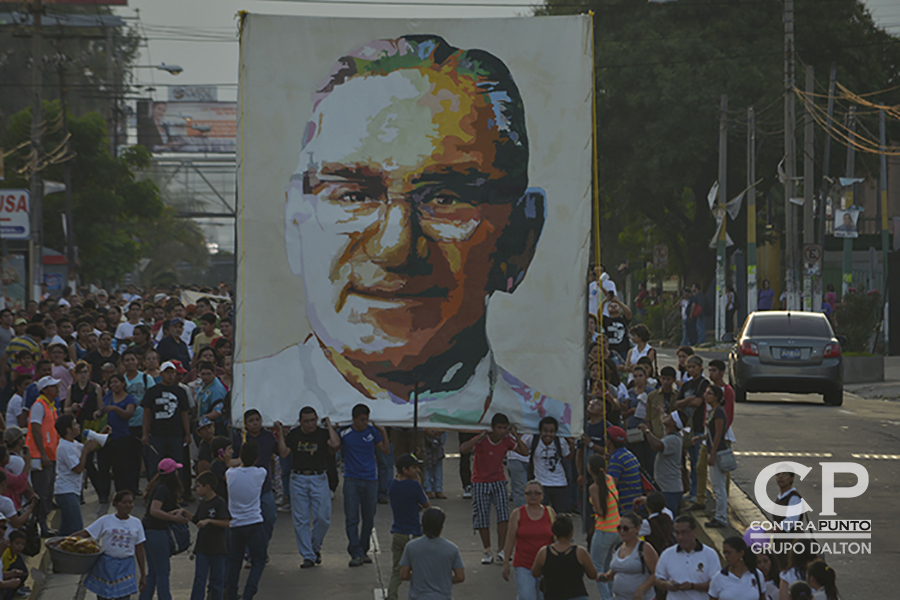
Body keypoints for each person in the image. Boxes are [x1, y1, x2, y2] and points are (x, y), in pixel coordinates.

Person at [246, 34, 574, 434]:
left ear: (519, 240)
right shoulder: (252, 403)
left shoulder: (553, 423)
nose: (394, 246)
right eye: (353, 195)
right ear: (294, 225)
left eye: (446, 198)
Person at [274, 407, 340, 568]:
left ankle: (315, 547)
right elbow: (283, 453)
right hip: (298, 478)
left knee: (323, 517)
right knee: (301, 520)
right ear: (300, 421)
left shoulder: (323, 433)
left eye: (313, 420)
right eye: (306, 421)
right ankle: (308, 555)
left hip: (319, 477)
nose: (310, 424)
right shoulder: (294, 434)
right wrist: (281, 434)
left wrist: (329, 425)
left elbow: (335, 444)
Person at [458, 413, 528, 565]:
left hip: (499, 481)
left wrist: (516, 436)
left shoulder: (507, 440)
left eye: (504, 428)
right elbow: (463, 449)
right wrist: (479, 437)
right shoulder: (482, 440)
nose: (502, 431)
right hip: (480, 481)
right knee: (482, 517)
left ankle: (501, 550)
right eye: (499, 428)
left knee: (503, 516)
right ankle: (487, 550)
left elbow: (524, 452)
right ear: (493, 428)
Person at [340, 403, 389, 566]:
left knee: (369, 517)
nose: (364, 423)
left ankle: (363, 548)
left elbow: (385, 450)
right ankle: (355, 551)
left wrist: (382, 432)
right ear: (354, 419)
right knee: (352, 517)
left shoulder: (372, 432)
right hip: (352, 479)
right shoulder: (345, 433)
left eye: (367, 419)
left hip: (370, 479)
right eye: (361, 420)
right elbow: (334, 446)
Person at [76, 490, 147, 600]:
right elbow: (86, 533)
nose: (128, 505)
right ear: (116, 503)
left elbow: (139, 549)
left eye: (130, 502)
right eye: (124, 502)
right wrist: (61, 540)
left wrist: (143, 575)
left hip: (126, 567)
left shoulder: (137, 523)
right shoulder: (105, 520)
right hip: (105, 566)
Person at [224, 440, 268, 600]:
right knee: (259, 560)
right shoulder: (260, 473)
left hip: (235, 525)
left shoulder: (230, 474)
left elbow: (229, 466)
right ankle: (249, 593)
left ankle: (232, 594)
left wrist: (229, 458)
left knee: (234, 562)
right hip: (254, 523)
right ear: (256, 458)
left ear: (240, 456)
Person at [141, 458, 190, 600]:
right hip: (157, 532)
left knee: (154, 572)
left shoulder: (158, 486)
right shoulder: (163, 489)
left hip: (149, 532)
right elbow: (154, 510)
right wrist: (175, 518)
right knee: (163, 572)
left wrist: (178, 511)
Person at [231, 410, 278, 548]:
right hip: (246, 486)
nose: (255, 423)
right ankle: (251, 551)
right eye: (251, 421)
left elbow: (281, 452)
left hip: (265, 486)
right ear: (245, 424)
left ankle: (262, 546)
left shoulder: (268, 436)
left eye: (257, 419)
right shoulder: (240, 438)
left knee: (269, 517)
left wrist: (280, 434)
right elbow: (233, 459)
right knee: (247, 521)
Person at [502, 480, 555, 600]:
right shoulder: (517, 514)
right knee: (526, 597)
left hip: (546, 566)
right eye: (529, 493)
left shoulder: (550, 512)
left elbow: (557, 539)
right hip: (523, 565)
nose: (533, 496)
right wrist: (506, 562)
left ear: (542, 495)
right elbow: (510, 540)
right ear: (524, 495)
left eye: (537, 493)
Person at [386, 453, 430, 600]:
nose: (417, 471)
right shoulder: (414, 486)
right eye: (414, 468)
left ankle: (392, 595)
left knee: (397, 569)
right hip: (413, 533)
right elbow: (426, 504)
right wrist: (419, 484)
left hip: (397, 532)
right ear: (405, 469)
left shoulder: (392, 484)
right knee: (419, 569)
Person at [182, 471, 230, 600]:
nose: (197, 489)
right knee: (199, 578)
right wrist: (185, 513)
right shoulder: (203, 503)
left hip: (217, 547)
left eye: (199, 486)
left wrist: (209, 521)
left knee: (217, 580)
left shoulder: (219, 502)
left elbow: (226, 522)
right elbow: (197, 520)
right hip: (203, 547)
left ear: (207, 487)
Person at [399, 507, 465, 599]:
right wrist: (444, 580)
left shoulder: (411, 546)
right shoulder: (452, 548)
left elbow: (403, 575)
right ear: (441, 526)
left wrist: (418, 578)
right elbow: (460, 577)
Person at [53, 414, 103, 535]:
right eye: (75, 424)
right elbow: (78, 469)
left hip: (71, 491)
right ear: (68, 430)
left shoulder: (72, 443)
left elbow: (90, 447)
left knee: (67, 528)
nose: (78, 425)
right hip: (66, 491)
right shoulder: (65, 447)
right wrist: (85, 452)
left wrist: (100, 434)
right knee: (76, 527)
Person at [141, 362, 191, 480]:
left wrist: (187, 434)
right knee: (155, 466)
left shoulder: (180, 392)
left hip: (176, 435)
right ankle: (154, 492)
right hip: (157, 435)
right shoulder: (152, 391)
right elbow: (147, 414)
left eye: (172, 372)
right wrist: (145, 434)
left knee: (177, 465)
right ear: (161, 374)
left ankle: (178, 493)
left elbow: (184, 413)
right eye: (167, 372)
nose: (170, 375)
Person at [531, 515, 598, 600]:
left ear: (554, 532)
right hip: (577, 596)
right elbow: (593, 575)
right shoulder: (580, 552)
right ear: (571, 532)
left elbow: (535, 573)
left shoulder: (544, 552)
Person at [26, 375, 61, 537]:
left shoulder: (50, 406)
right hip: (40, 456)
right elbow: (35, 429)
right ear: (45, 389)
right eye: (53, 386)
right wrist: (43, 453)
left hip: (49, 455)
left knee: (47, 491)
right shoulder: (39, 406)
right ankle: (39, 526)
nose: (57, 388)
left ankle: (43, 524)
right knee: (41, 491)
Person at [672, 356, 708, 506]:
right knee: (691, 462)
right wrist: (689, 400)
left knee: (698, 465)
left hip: (699, 427)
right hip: (687, 428)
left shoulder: (703, 383)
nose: (691, 370)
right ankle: (693, 492)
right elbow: (676, 404)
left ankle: (699, 493)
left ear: (700, 367)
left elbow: (699, 401)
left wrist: (689, 401)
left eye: (694, 367)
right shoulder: (686, 386)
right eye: (689, 367)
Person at [654, 515, 720, 599]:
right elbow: (658, 580)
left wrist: (693, 586)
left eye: (684, 532)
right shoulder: (667, 553)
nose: (680, 537)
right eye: (677, 533)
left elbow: (717, 584)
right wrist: (667, 584)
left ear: (695, 532)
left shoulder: (710, 554)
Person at [98, 373, 139, 497]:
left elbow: (128, 414)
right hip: (106, 437)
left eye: (116, 382)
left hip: (121, 438)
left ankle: (121, 494)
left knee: (120, 468)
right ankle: (104, 494)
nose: (113, 385)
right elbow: (102, 409)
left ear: (123, 383)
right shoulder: (108, 396)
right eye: (111, 383)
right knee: (103, 467)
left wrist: (115, 409)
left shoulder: (129, 398)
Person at [600, 512, 658, 600]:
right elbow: (616, 569)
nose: (622, 531)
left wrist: (641, 589)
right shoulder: (618, 547)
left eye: (626, 528)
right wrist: (606, 576)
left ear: (637, 529)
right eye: (619, 528)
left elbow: (657, 573)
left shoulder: (644, 548)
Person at [638, 411, 685, 516]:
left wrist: (646, 431)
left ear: (674, 423)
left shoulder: (673, 439)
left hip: (670, 489)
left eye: (670, 417)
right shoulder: (669, 434)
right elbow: (663, 418)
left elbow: (656, 446)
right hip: (664, 487)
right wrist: (660, 411)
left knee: (668, 520)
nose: (666, 417)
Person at [587, 454, 619, 600]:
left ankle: (607, 598)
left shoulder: (594, 488)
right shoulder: (610, 479)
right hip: (616, 530)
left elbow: (600, 511)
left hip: (604, 531)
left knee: (596, 568)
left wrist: (593, 507)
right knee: (607, 567)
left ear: (589, 469)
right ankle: (613, 595)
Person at [525, 416, 572, 514]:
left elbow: (568, 457)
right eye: (545, 431)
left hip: (560, 484)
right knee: (540, 515)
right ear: (540, 431)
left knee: (561, 516)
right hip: (541, 485)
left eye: (552, 431)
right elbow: (523, 451)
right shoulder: (533, 439)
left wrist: (572, 445)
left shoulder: (560, 442)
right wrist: (516, 436)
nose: (548, 434)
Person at [701, 385, 729, 528]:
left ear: (717, 397)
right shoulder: (714, 411)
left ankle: (721, 517)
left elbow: (719, 434)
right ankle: (719, 514)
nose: (706, 396)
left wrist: (711, 455)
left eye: (709, 393)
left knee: (718, 487)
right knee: (717, 485)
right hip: (714, 450)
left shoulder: (718, 412)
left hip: (717, 453)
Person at [604, 426, 641, 514]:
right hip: (636, 504)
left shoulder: (616, 459)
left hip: (626, 508)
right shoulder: (627, 454)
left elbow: (611, 486)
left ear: (609, 441)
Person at [2, 530, 29, 598]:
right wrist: (10, 574)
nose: (20, 547)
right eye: (17, 544)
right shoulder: (4, 555)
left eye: (22, 544)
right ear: (10, 543)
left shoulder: (15, 554)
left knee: (23, 572)